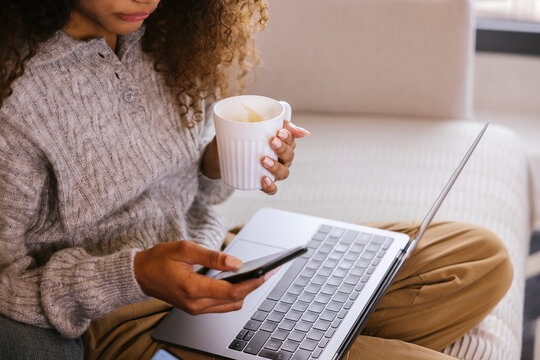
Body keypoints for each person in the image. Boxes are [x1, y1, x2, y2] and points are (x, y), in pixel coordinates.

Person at [0, 1, 512, 360]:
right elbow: (6, 282)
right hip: (126, 319)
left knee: (479, 257)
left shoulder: (158, 36)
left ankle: (311, 327)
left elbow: (184, 188)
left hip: (224, 258)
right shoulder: (16, 97)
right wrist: (134, 273)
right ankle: (309, 333)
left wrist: (218, 160)